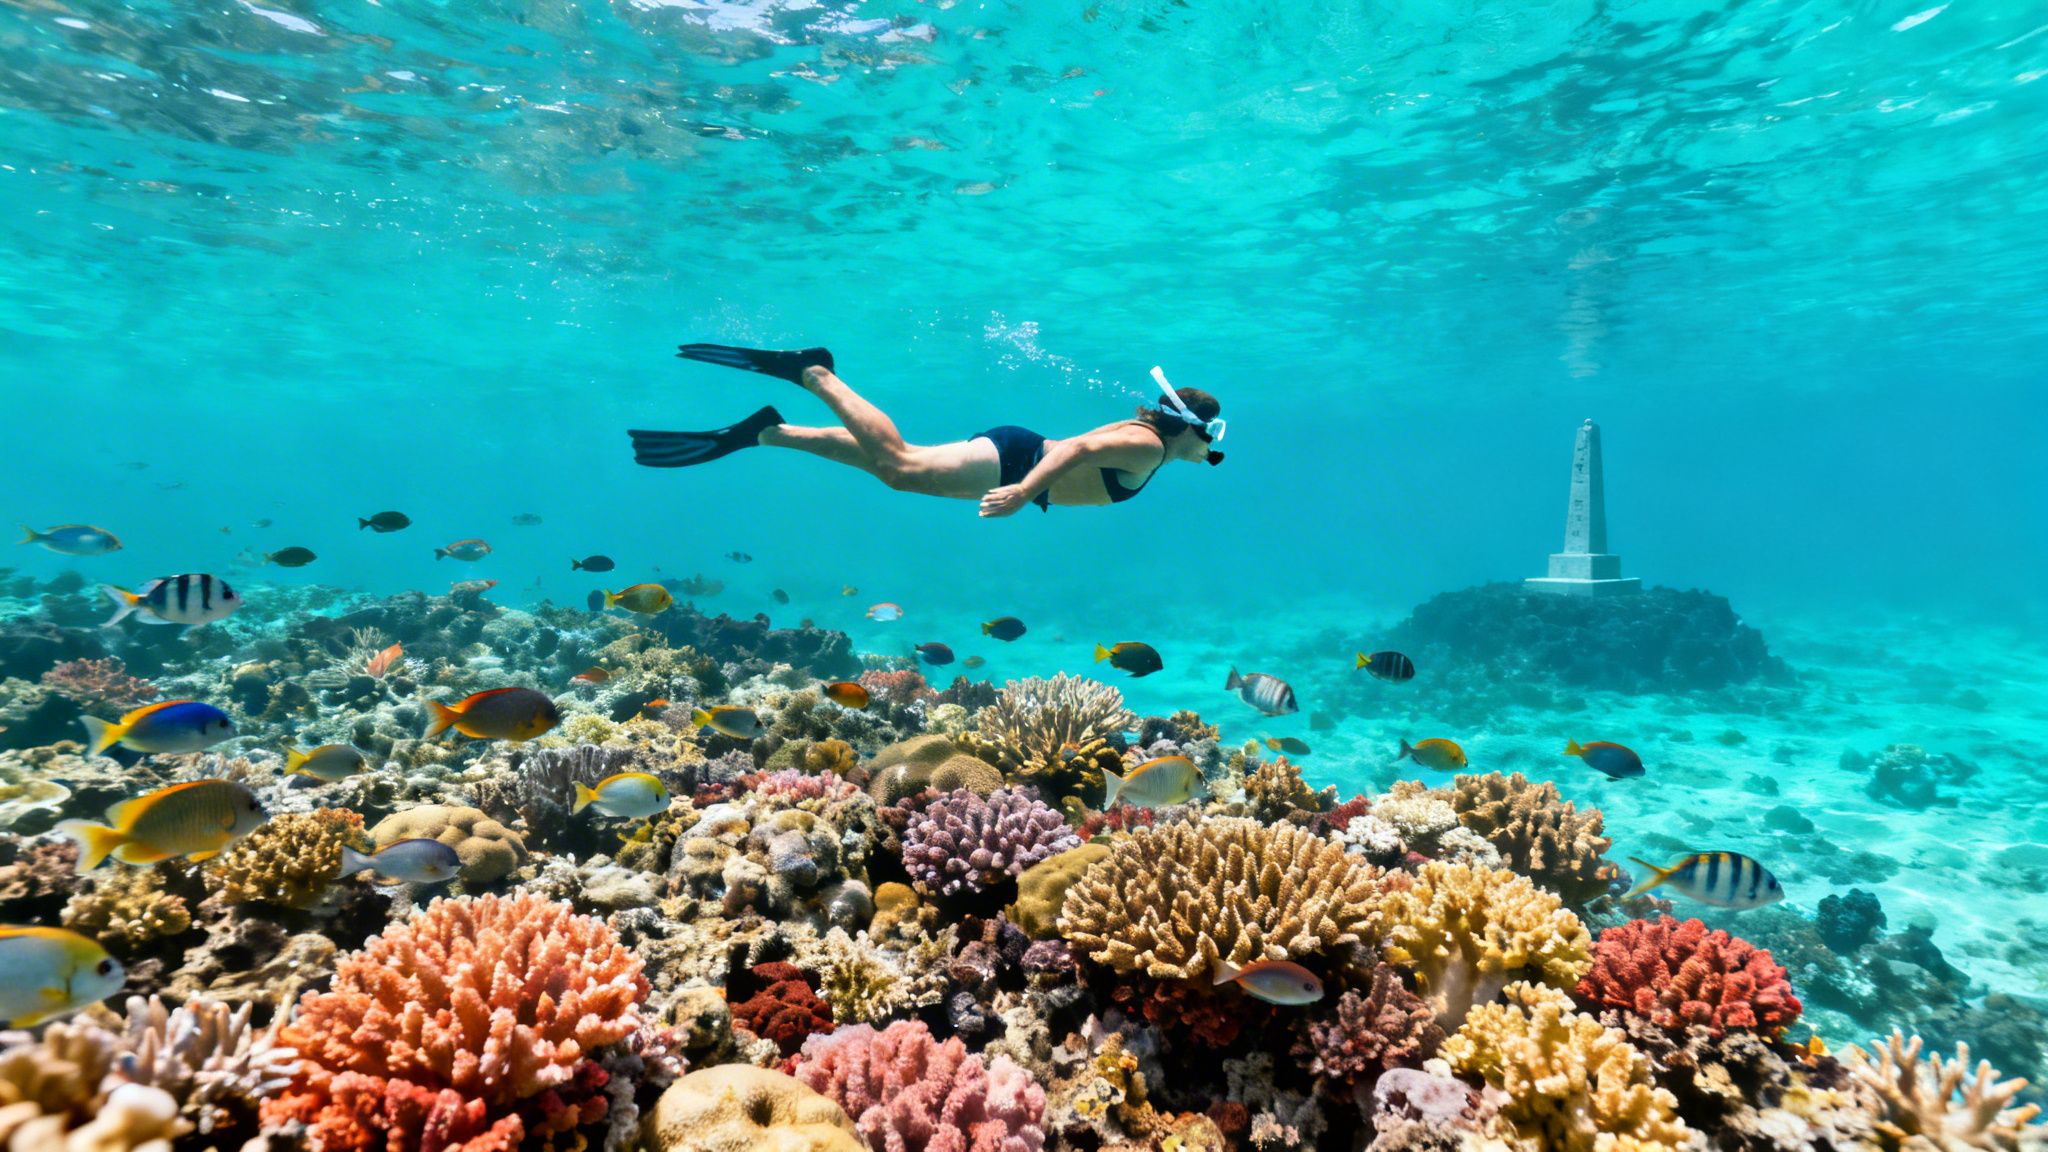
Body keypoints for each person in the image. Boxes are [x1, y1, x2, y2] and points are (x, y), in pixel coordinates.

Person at [630, 345, 1225, 517]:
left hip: (1019, 461)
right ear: (1188, 429)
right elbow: (1078, 447)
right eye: (1212, 436)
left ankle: (768, 433)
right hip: (1017, 464)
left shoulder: (1150, 442)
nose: (1213, 449)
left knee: (896, 468)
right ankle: (815, 374)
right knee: (901, 466)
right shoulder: (1147, 447)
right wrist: (1021, 492)